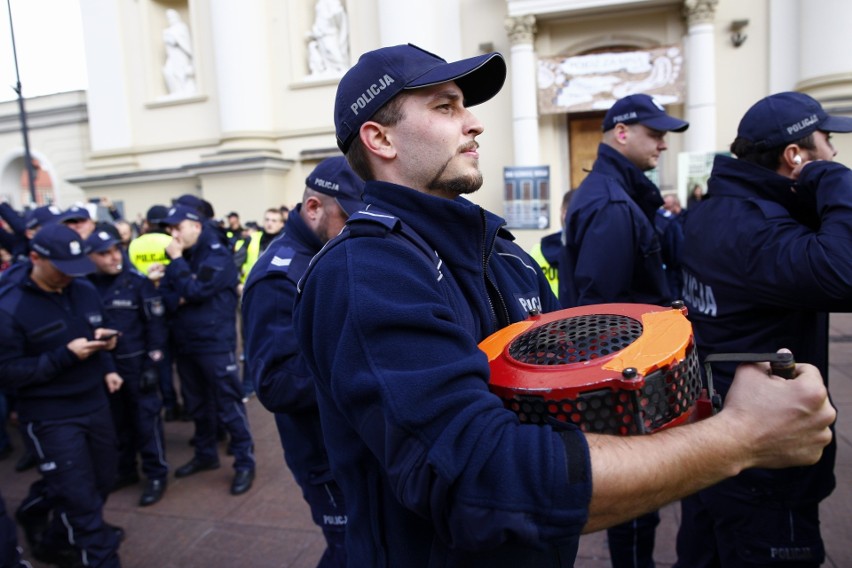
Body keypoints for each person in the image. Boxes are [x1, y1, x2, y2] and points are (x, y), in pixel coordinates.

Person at [291, 43, 835, 567]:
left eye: (466, 106)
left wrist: (701, 396)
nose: (475, 122)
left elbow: (561, 404)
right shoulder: (364, 271)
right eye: (445, 107)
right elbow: (481, 480)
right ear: (380, 139)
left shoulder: (503, 253)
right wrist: (740, 436)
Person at [675, 91, 852, 568]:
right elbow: (845, 273)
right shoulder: (758, 228)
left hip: (717, 432)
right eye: (828, 142)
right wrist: (833, 179)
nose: (834, 152)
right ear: (795, 155)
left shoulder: (716, 208)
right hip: (766, 455)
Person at [557, 95, 689, 567]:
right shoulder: (612, 203)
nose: (663, 145)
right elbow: (603, 317)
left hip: (630, 375)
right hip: (627, 379)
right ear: (622, 133)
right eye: (655, 135)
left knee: (639, 504)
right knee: (636, 504)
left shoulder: (615, 194)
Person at [242, 156, 364, 568]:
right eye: (347, 217)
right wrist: (361, 370)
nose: (357, 229)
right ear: (314, 208)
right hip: (322, 455)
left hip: (351, 444)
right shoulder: (278, 277)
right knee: (352, 550)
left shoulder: (332, 250)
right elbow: (274, 383)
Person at [0, 223, 124, 567]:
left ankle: (50, 532)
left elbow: (97, 326)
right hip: (50, 415)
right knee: (81, 502)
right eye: (61, 270)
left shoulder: (83, 288)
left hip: (95, 402)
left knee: (100, 483)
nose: (69, 277)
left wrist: (107, 352)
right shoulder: (10, 306)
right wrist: (64, 357)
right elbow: (7, 372)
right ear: (36, 258)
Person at [158, 204, 255, 495]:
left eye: (177, 228)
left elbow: (196, 290)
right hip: (186, 340)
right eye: (169, 229)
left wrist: (178, 270)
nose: (171, 234)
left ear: (196, 226)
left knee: (228, 403)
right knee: (197, 403)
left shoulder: (216, 254)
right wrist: (182, 286)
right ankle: (205, 454)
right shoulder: (184, 255)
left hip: (214, 342)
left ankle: (244, 463)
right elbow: (167, 295)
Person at [86, 226, 170, 507]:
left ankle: (156, 474)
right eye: (104, 253)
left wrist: (152, 364)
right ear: (90, 257)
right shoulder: (86, 287)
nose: (113, 257)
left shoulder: (137, 282)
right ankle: (126, 470)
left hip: (137, 364)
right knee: (116, 425)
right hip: (105, 368)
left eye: (115, 250)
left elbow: (156, 327)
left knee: (146, 423)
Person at [529, 189, 576, 298]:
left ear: (563, 213)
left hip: (546, 314)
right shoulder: (586, 252)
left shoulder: (537, 251)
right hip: (578, 314)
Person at [239, 207, 285, 283]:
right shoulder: (252, 238)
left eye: (274, 221)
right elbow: (236, 262)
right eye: (267, 220)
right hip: (250, 284)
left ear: (281, 224)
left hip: (274, 287)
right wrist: (237, 283)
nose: (269, 223)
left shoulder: (286, 242)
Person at [306, 0, 349, 77]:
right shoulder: (320, 3)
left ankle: (341, 67)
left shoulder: (331, 1)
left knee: (331, 51)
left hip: (329, 32)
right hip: (321, 32)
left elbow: (338, 14)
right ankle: (329, 69)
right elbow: (319, 17)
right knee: (325, 52)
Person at [162, 8, 196, 96]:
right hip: (172, 55)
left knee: (181, 73)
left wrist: (172, 37)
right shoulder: (168, 30)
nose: (170, 19)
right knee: (168, 71)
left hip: (180, 55)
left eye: (171, 17)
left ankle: (184, 91)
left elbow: (182, 41)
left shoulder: (181, 27)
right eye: (168, 18)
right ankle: (176, 90)